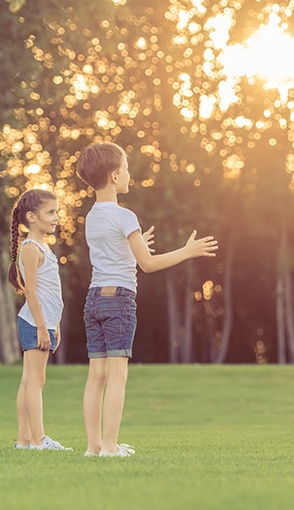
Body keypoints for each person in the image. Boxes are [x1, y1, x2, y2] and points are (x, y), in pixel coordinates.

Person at [75, 141, 218, 458]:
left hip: (94, 299)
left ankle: (93, 447)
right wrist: (188, 251)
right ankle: (110, 447)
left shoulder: (93, 216)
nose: (129, 175)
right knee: (117, 376)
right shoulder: (125, 216)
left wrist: (135, 243)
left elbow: (114, 253)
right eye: (126, 169)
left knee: (96, 376)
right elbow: (148, 264)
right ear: (114, 176)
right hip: (119, 300)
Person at [8, 188, 72, 451]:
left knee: (29, 380)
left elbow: (49, 293)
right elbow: (31, 292)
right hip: (35, 322)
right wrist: (43, 327)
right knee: (36, 381)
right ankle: (38, 439)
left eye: (56, 211)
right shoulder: (31, 248)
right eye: (51, 212)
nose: (56, 217)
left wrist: (54, 324)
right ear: (32, 217)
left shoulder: (40, 246)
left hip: (43, 321)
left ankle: (24, 440)